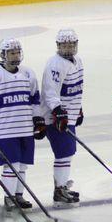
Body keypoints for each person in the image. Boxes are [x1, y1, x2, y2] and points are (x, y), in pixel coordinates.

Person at [0, 39, 42, 211]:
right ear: (2, 55)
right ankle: (9, 197)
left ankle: (19, 195)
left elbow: (35, 98)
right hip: (5, 129)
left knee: (22, 164)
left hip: (25, 127)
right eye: (11, 53)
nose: (15, 56)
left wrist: (38, 118)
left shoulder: (28, 73)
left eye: (17, 52)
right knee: (11, 164)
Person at [41, 29, 83, 206]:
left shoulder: (78, 61)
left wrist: (78, 109)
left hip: (68, 115)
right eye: (65, 45)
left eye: (71, 44)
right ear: (58, 46)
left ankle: (62, 185)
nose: (68, 48)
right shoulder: (54, 64)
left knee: (68, 152)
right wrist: (57, 111)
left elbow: (76, 89)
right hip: (55, 118)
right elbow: (50, 92)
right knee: (63, 152)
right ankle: (59, 190)